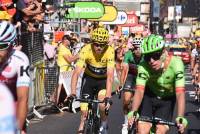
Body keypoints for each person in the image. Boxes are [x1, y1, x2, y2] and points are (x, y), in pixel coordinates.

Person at [128, 34, 188, 134]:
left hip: (167, 100)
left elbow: (180, 93)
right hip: (149, 96)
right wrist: (134, 111)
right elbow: (139, 90)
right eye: (147, 57)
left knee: (161, 131)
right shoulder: (143, 65)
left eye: (155, 56)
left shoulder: (177, 64)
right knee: (143, 130)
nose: (151, 61)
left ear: (164, 52)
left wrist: (180, 117)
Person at [70, 27, 115, 134]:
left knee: (102, 102)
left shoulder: (110, 51)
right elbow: (76, 73)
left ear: (106, 44)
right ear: (92, 42)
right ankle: (82, 125)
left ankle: (104, 124)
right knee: (84, 113)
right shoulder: (86, 49)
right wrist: (72, 93)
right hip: (89, 79)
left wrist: (108, 95)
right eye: (96, 44)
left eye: (102, 44)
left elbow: (110, 75)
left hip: (103, 81)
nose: (99, 47)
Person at [0, 21, 30, 134]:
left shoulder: (20, 60)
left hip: (12, 114)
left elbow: (23, 98)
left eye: (1, 46)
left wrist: (17, 128)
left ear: (11, 45)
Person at [120, 37, 143, 134]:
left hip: (142, 78)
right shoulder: (129, 54)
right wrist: (121, 85)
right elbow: (124, 70)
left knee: (140, 101)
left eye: (138, 48)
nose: (136, 50)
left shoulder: (146, 56)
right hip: (131, 76)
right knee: (126, 100)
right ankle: (125, 123)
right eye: (135, 47)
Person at [56, 35, 79, 104]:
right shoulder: (62, 48)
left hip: (67, 71)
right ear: (65, 40)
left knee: (66, 88)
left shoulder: (67, 48)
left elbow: (72, 59)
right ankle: (55, 103)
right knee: (59, 87)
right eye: (69, 40)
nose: (70, 42)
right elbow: (70, 60)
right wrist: (78, 55)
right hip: (62, 70)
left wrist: (76, 57)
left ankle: (63, 102)